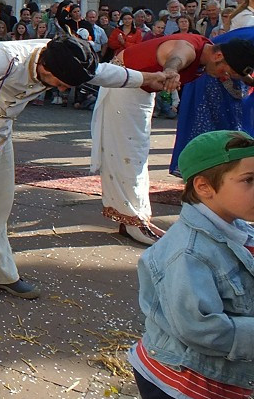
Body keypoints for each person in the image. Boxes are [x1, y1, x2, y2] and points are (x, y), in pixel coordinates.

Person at [0, 35, 172, 312]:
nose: (63, 90)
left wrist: (147, 79)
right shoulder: (9, 56)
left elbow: (104, 73)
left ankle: (0, 274)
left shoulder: (69, 56)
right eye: (61, 84)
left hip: (1, 133)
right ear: (46, 70)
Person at [130, 130, 253, 399]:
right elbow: (202, 329)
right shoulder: (188, 254)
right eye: (249, 180)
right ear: (204, 187)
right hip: (182, 385)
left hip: (211, 379)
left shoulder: (237, 225)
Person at [91, 32, 254, 245]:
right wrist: (171, 70)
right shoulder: (189, 48)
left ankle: (134, 217)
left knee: (135, 152)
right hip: (124, 86)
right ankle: (131, 220)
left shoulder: (206, 53)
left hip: (138, 90)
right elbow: (177, 55)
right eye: (225, 71)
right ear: (218, 56)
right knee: (127, 152)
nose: (224, 76)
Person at [169, 26, 254, 176]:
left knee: (233, 123)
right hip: (213, 70)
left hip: (228, 71)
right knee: (208, 124)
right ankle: (205, 170)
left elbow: (242, 70)